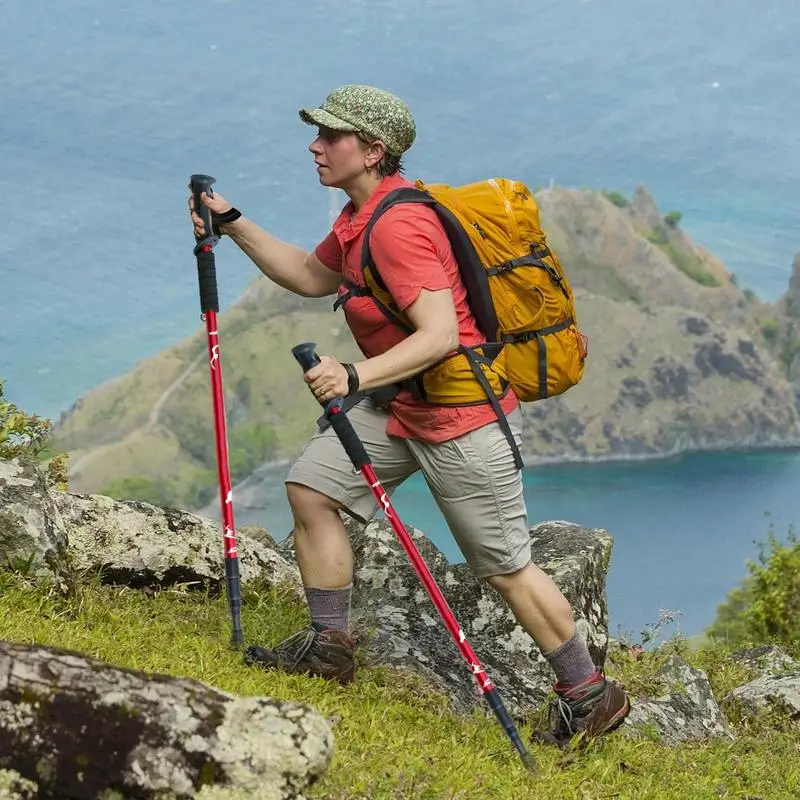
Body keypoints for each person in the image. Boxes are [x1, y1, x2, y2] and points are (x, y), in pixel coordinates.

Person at [188, 84, 630, 747]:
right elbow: (311, 276)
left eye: (330, 136)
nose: (315, 145)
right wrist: (232, 221)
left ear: (371, 150)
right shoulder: (358, 216)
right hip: (404, 406)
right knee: (313, 487)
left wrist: (352, 374)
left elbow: (440, 333)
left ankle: (588, 693)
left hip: (463, 418)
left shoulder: (398, 226)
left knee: (506, 567)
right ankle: (330, 645)